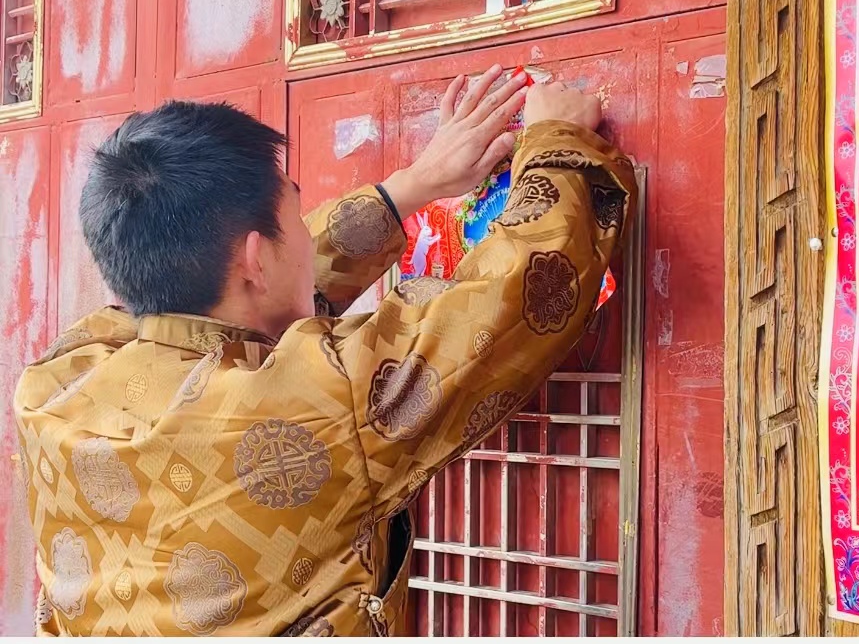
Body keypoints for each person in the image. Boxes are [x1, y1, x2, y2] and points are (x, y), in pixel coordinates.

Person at [13, 65, 636, 636]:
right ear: (257, 257)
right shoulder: (319, 402)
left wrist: (410, 188)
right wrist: (558, 143)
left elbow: (237, 295)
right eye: (296, 214)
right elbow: (517, 296)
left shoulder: (54, 382)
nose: (306, 237)